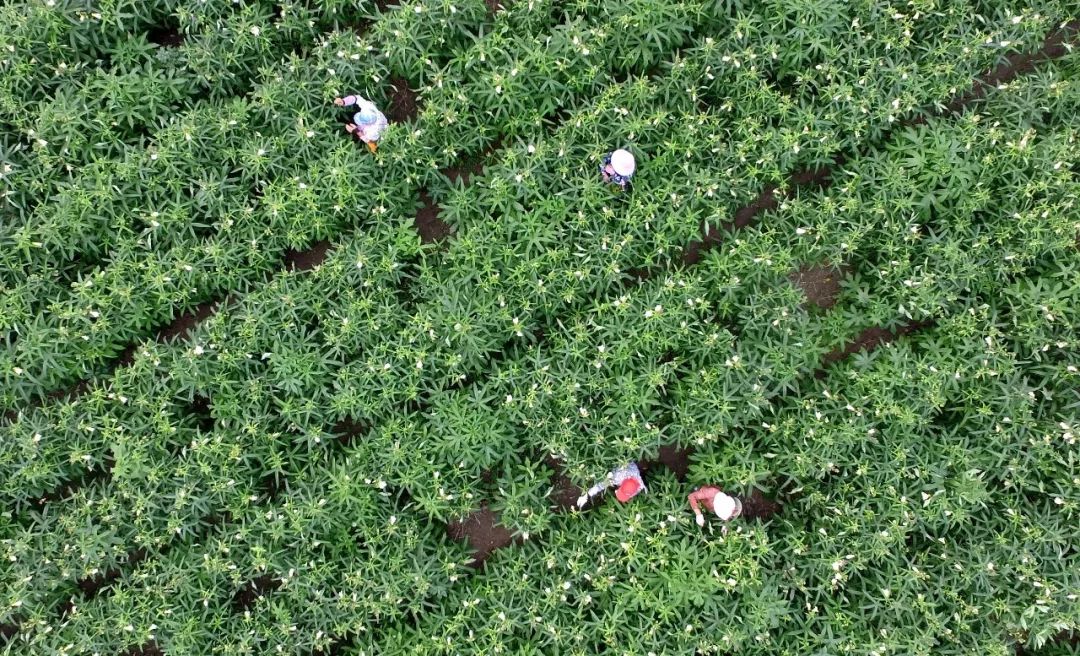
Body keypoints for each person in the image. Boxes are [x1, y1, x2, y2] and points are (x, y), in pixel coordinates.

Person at [576, 462, 646, 508]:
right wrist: (587, 495)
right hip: (620, 464)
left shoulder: (640, 486)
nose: (616, 491)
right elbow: (600, 486)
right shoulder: (618, 477)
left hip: (632, 466)